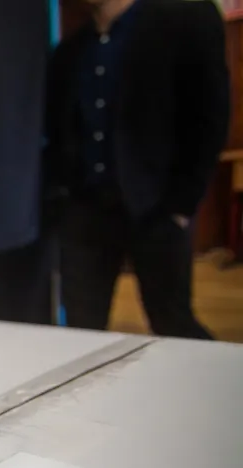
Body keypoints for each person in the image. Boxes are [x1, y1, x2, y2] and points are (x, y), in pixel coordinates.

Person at [44, 0, 229, 338]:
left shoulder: (182, 20)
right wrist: (63, 200)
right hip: (86, 211)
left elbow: (210, 116)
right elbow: (59, 132)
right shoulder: (70, 49)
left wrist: (181, 205)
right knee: (80, 332)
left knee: (173, 323)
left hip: (156, 208)